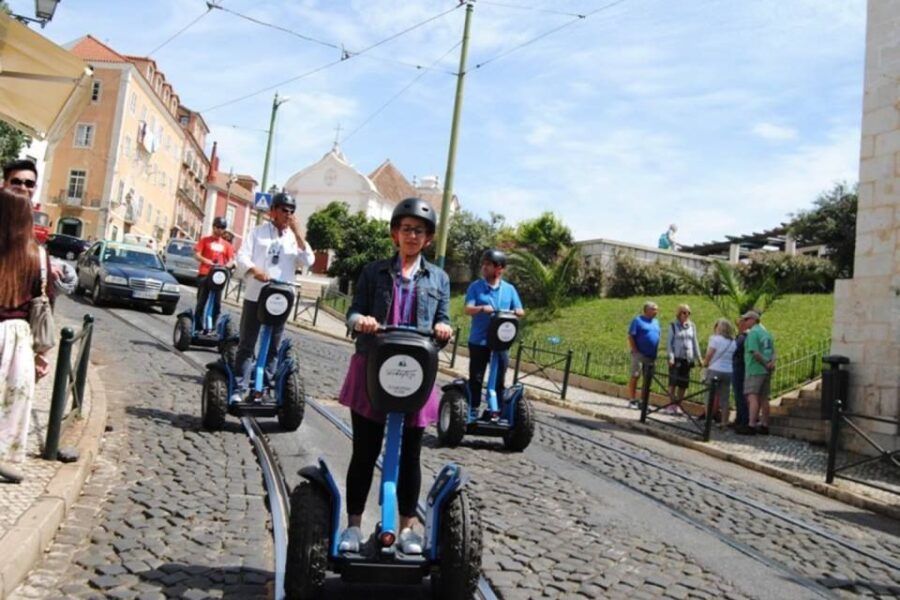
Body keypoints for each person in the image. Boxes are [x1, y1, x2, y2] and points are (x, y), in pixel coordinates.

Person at [338, 197, 452, 556]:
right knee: (364, 451)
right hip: (373, 366)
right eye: (406, 229)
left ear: (428, 239)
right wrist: (362, 322)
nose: (412, 236)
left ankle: (406, 528)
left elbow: (445, 319)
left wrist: (444, 328)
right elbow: (354, 312)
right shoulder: (373, 272)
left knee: (411, 456)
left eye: (419, 231)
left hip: (416, 372)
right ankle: (353, 527)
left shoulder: (439, 278)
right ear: (395, 234)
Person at [233, 193, 314, 401]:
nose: (289, 214)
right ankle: (239, 388)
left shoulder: (294, 239)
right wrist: (254, 270)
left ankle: (264, 388)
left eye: (292, 211)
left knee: (273, 346)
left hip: (281, 298)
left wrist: (298, 234)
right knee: (247, 342)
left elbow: (308, 261)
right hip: (256, 294)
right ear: (274, 211)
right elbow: (241, 256)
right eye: (284, 210)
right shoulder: (257, 233)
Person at [0, 189, 56, 483]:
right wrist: (41, 354)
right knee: (12, 401)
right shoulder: (38, 257)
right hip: (18, 337)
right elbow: (44, 299)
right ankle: (3, 458)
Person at [463, 249, 524, 417]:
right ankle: (472, 408)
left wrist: (514, 312)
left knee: (499, 377)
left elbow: (520, 310)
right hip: (479, 340)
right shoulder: (476, 287)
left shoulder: (509, 290)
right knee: (476, 376)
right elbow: (468, 309)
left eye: (488, 265)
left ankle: (496, 409)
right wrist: (482, 308)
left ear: (500, 268)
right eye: (484, 264)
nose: (484, 267)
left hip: (500, 341)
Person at [193, 216, 235, 330]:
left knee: (217, 305)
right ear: (213, 227)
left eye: (222, 228)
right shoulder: (205, 240)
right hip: (205, 274)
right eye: (218, 227)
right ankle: (198, 326)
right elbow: (197, 254)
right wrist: (207, 261)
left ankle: (213, 327)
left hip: (218, 277)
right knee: (201, 302)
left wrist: (227, 266)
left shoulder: (227, 245)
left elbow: (231, 259)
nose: (220, 230)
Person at [740, 310, 776, 435]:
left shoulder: (753, 333)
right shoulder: (766, 333)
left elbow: (754, 352)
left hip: (755, 369)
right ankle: (765, 425)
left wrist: (765, 363)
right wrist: (771, 362)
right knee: (764, 397)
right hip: (767, 370)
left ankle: (751, 425)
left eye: (746, 319)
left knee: (752, 396)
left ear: (753, 320)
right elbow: (773, 351)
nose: (744, 322)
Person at [701, 318, 736, 428]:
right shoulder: (733, 342)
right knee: (725, 398)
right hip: (728, 371)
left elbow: (710, 354)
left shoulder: (715, 339)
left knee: (709, 395)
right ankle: (724, 421)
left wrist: (705, 364)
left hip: (715, 369)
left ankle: (708, 420)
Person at [666, 303, 701, 413]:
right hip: (676, 358)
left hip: (687, 359)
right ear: (679, 313)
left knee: (683, 384)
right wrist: (671, 357)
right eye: (684, 312)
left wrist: (699, 357)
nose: (686, 315)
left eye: (688, 313)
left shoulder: (692, 326)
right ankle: (671, 405)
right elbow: (669, 343)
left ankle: (678, 405)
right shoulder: (673, 325)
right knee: (673, 382)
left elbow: (695, 342)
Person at [627, 301, 660, 409]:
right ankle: (632, 400)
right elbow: (631, 335)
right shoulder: (638, 320)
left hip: (651, 355)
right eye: (654, 309)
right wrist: (635, 349)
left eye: (656, 309)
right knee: (635, 375)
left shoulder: (656, 322)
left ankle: (643, 401)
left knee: (647, 379)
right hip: (639, 353)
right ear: (646, 310)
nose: (656, 311)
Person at [731, 315, 751, 430]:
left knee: (740, 395)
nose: (737, 326)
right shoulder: (746, 336)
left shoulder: (743, 337)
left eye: (739, 323)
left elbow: (734, 350)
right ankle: (739, 418)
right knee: (739, 395)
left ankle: (743, 420)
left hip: (739, 367)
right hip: (742, 367)